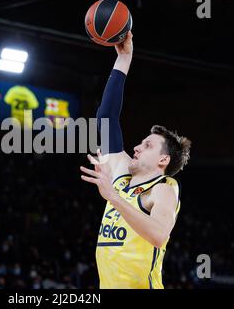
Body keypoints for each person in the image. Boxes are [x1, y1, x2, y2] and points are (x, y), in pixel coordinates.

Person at [80, 32, 191, 289]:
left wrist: (114, 198)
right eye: (140, 143)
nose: (136, 147)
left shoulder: (164, 188)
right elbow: (106, 117)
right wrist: (124, 57)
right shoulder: (120, 175)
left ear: (163, 159)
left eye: (147, 145)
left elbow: (159, 235)